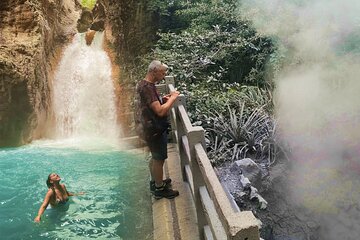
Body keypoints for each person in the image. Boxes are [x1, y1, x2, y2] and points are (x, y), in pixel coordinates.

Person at [136, 60, 180, 199]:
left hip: (148, 127)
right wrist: (173, 98)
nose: (164, 74)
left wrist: (162, 100)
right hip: (153, 129)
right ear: (154, 71)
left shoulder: (144, 84)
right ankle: (159, 188)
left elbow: (151, 104)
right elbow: (160, 112)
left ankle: (156, 181)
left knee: (156, 157)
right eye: (162, 72)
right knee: (159, 158)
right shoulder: (148, 88)